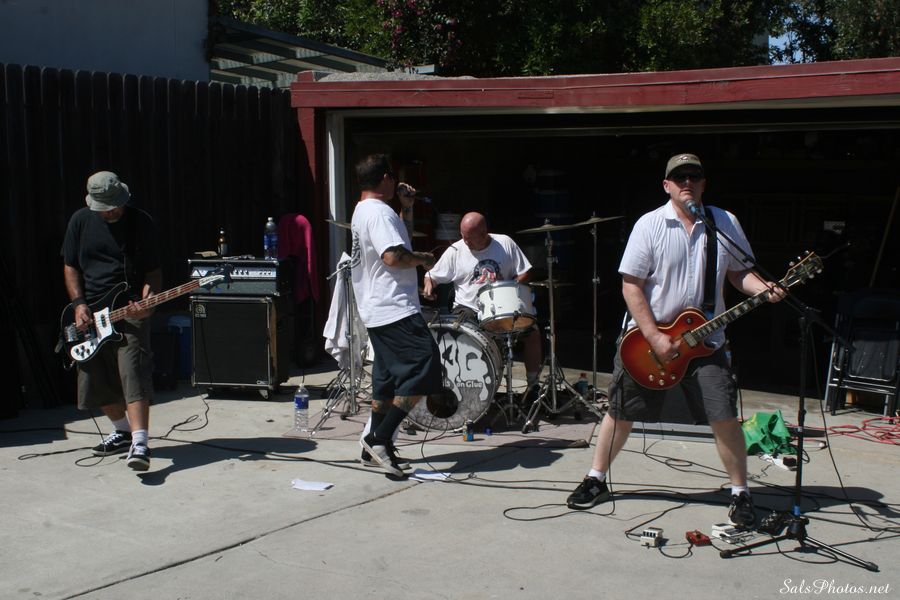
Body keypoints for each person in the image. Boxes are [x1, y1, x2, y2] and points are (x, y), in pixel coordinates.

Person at [565, 153, 783, 528]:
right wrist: (654, 335)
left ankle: (740, 493)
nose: (687, 183)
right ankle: (596, 478)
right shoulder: (650, 225)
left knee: (724, 415)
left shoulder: (724, 223)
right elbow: (631, 285)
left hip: (706, 342)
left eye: (694, 177)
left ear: (703, 184)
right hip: (646, 341)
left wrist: (764, 288)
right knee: (620, 412)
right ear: (666, 185)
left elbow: (739, 273)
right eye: (679, 177)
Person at [62, 171, 161, 472]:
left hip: (129, 310)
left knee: (133, 370)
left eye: (116, 205)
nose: (112, 211)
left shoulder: (140, 222)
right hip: (91, 314)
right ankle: (122, 431)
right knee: (94, 378)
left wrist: (149, 301)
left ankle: (140, 443)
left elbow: (154, 271)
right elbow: (70, 266)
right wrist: (79, 304)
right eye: (105, 208)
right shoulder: (79, 221)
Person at [351, 154, 443, 477]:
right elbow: (392, 255)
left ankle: (373, 445)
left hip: (378, 309)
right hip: (394, 308)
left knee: (387, 381)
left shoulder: (366, 210)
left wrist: (406, 208)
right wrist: (424, 259)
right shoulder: (378, 213)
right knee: (425, 367)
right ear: (386, 179)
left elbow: (395, 241)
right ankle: (380, 439)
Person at [422, 212, 543, 387]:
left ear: (483, 233)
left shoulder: (505, 243)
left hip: (501, 307)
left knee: (532, 333)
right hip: (468, 308)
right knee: (462, 339)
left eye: (469, 238)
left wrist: (510, 284)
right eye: (463, 236)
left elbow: (526, 272)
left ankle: (533, 385)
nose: (465, 242)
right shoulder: (456, 250)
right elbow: (431, 275)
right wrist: (429, 285)